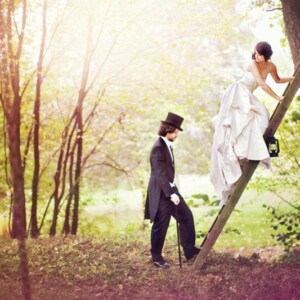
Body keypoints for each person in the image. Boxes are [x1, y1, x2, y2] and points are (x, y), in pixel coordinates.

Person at [210, 41, 294, 206]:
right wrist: (277, 97)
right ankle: (237, 155)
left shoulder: (271, 66)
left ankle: (248, 149)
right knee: (244, 120)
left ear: (266, 55)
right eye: (255, 53)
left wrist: (292, 78)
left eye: (259, 54)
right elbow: (262, 84)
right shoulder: (253, 64)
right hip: (239, 92)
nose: (255, 56)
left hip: (247, 94)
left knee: (261, 116)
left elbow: (277, 80)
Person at [144, 112, 200, 268]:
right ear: (168, 130)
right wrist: (171, 194)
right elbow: (160, 175)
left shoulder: (166, 146)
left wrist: (174, 190)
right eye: (176, 132)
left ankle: (190, 251)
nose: (177, 135)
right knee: (161, 225)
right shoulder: (157, 148)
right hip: (162, 194)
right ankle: (156, 257)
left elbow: (167, 174)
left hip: (170, 190)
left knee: (186, 216)